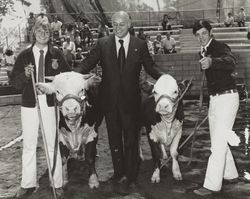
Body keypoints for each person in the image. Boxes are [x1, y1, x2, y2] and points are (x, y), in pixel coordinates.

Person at [74, 11, 162, 189]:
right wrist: (72, 75)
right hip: (110, 102)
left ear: (129, 24)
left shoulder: (140, 44)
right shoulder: (103, 43)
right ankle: (119, 172)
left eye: (121, 23)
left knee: (130, 140)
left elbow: (151, 67)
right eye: (114, 24)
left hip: (131, 102)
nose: (118, 27)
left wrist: (165, 78)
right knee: (114, 140)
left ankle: (130, 176)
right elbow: (88, 62)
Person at [9, 20, 70, 198]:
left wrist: (55, 84)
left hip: (49, 103)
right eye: (40, 32)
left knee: (52, 144)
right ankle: (27, 183)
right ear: (34, 34)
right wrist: (25, 75)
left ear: (51, 35)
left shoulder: (56, 54)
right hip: (29, 103)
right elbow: (15, 83)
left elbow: (66, 78)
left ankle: (57, 183)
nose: (44, 35)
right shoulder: (24, 56)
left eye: (47, 32)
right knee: (29, 144)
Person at [192, 20, 239, 196]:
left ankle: (211, 185)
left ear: (210, 32)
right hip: (215, 99)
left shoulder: (220, 46)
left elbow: (230, 61)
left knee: (217, 144)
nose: (201, 37)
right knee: (219, 140)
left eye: (204, 33)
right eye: (197, 35)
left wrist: (212, 62)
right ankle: (230, 174)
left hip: (227, 98)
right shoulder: (202, 51)